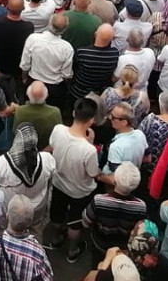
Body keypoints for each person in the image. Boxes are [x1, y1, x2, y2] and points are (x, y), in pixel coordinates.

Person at [48, 97, 101, 263]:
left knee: (57, 215)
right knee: (75, 223)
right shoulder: (88, 150)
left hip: (58, 183)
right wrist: (91, 144)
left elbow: (51, 147)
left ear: (73, 113)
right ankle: (73, 250)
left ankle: (56, 239)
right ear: (91, 120)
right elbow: (93, 173)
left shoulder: (58, 130)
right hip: (80, 191)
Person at [0, 123, 55, 237]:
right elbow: (52, 175)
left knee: (12, 230)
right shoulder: (47, 158)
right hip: (38, 206)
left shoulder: (4, 161)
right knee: (36, 230)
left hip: (14, 207)